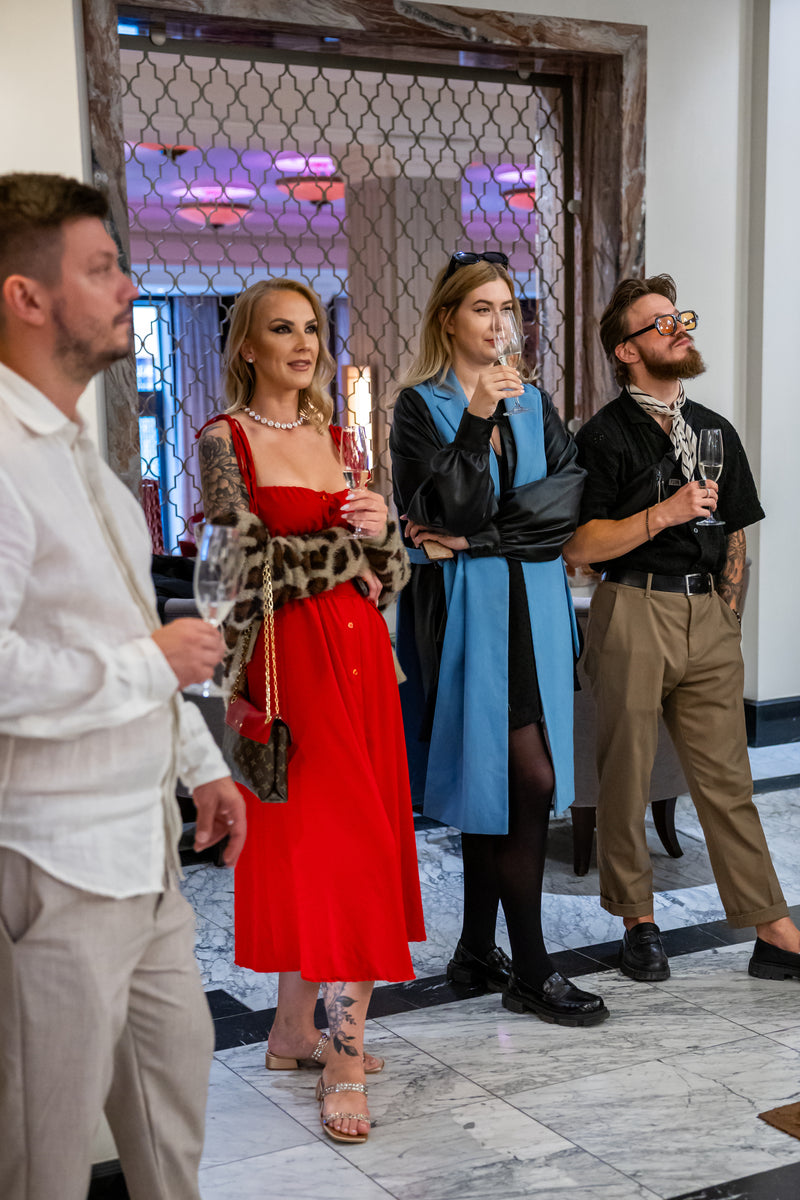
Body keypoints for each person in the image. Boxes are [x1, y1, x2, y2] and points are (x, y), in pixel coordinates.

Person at [0, 173, 247, 1200]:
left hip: (145, 853)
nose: (128, 287)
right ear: (26, 297)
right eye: (102, 268)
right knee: (44, 1152)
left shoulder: (87, 464)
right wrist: (154, 663)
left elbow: (137, 639)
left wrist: (200, 766)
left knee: (172, 1108)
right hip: (55, 860)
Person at [197, 278, 425, 1145]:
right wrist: (346, 549)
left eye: (312, 329)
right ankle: (342, 1060)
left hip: (362, 663)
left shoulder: (340, 439)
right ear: (247, 346)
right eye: (282, 329)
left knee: (345, 845)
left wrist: (386, 531)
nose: (304, 344)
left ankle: (295, 1033)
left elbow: (387, 576)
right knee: (339, 854)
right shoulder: (224, 439)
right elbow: (240, 568)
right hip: (289, 667)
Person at [389, 250, 608, 1026]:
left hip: (534, 608)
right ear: (448, 318)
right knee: (527, 780)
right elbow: (444, 506)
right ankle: (532, 970)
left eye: (507, 308)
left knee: (509, 780)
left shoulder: (534, 401)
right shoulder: (419, 407)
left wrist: (479, 539)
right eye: (481, 308)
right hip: (469, 619)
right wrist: (477, 416)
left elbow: (565, 504)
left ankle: (478, 951)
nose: (498, 322)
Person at [563, 272, 800, 983]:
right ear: (626, 350)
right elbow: (579, 547)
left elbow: (736, 531)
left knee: (728, 782)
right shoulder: (603, 436)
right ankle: (637, 922)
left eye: (680, 317)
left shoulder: (714, 429)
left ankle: (772, 928)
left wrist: (728, 614)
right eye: (661, 322)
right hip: (634, 608)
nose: (680, 329)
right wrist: (663, 514)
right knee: (626, 776)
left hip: (708, 616)